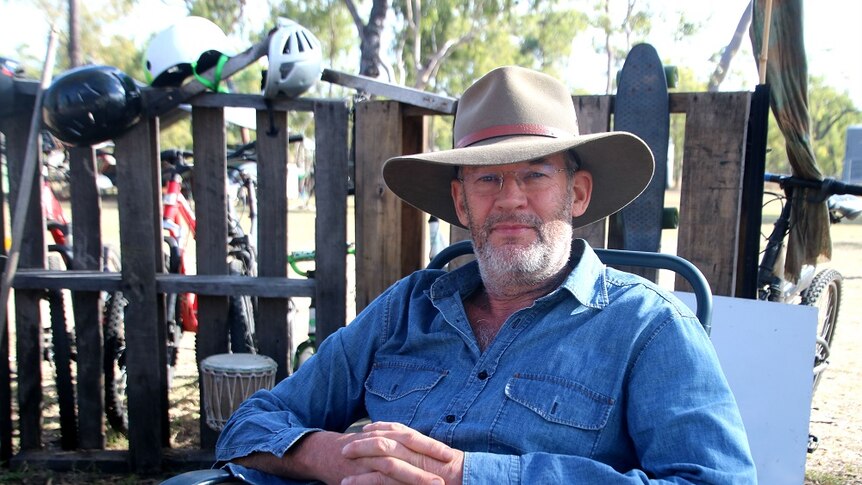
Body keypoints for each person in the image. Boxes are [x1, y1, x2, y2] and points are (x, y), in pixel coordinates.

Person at [215, 66, 757, 484]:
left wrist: (470, 475)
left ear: (579, 194)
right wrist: (333, 456)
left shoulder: (648, 328)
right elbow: (250, 424)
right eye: (488, 179)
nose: (510, 200)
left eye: (535, 175)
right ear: (461, 202)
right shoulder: (408, 308)